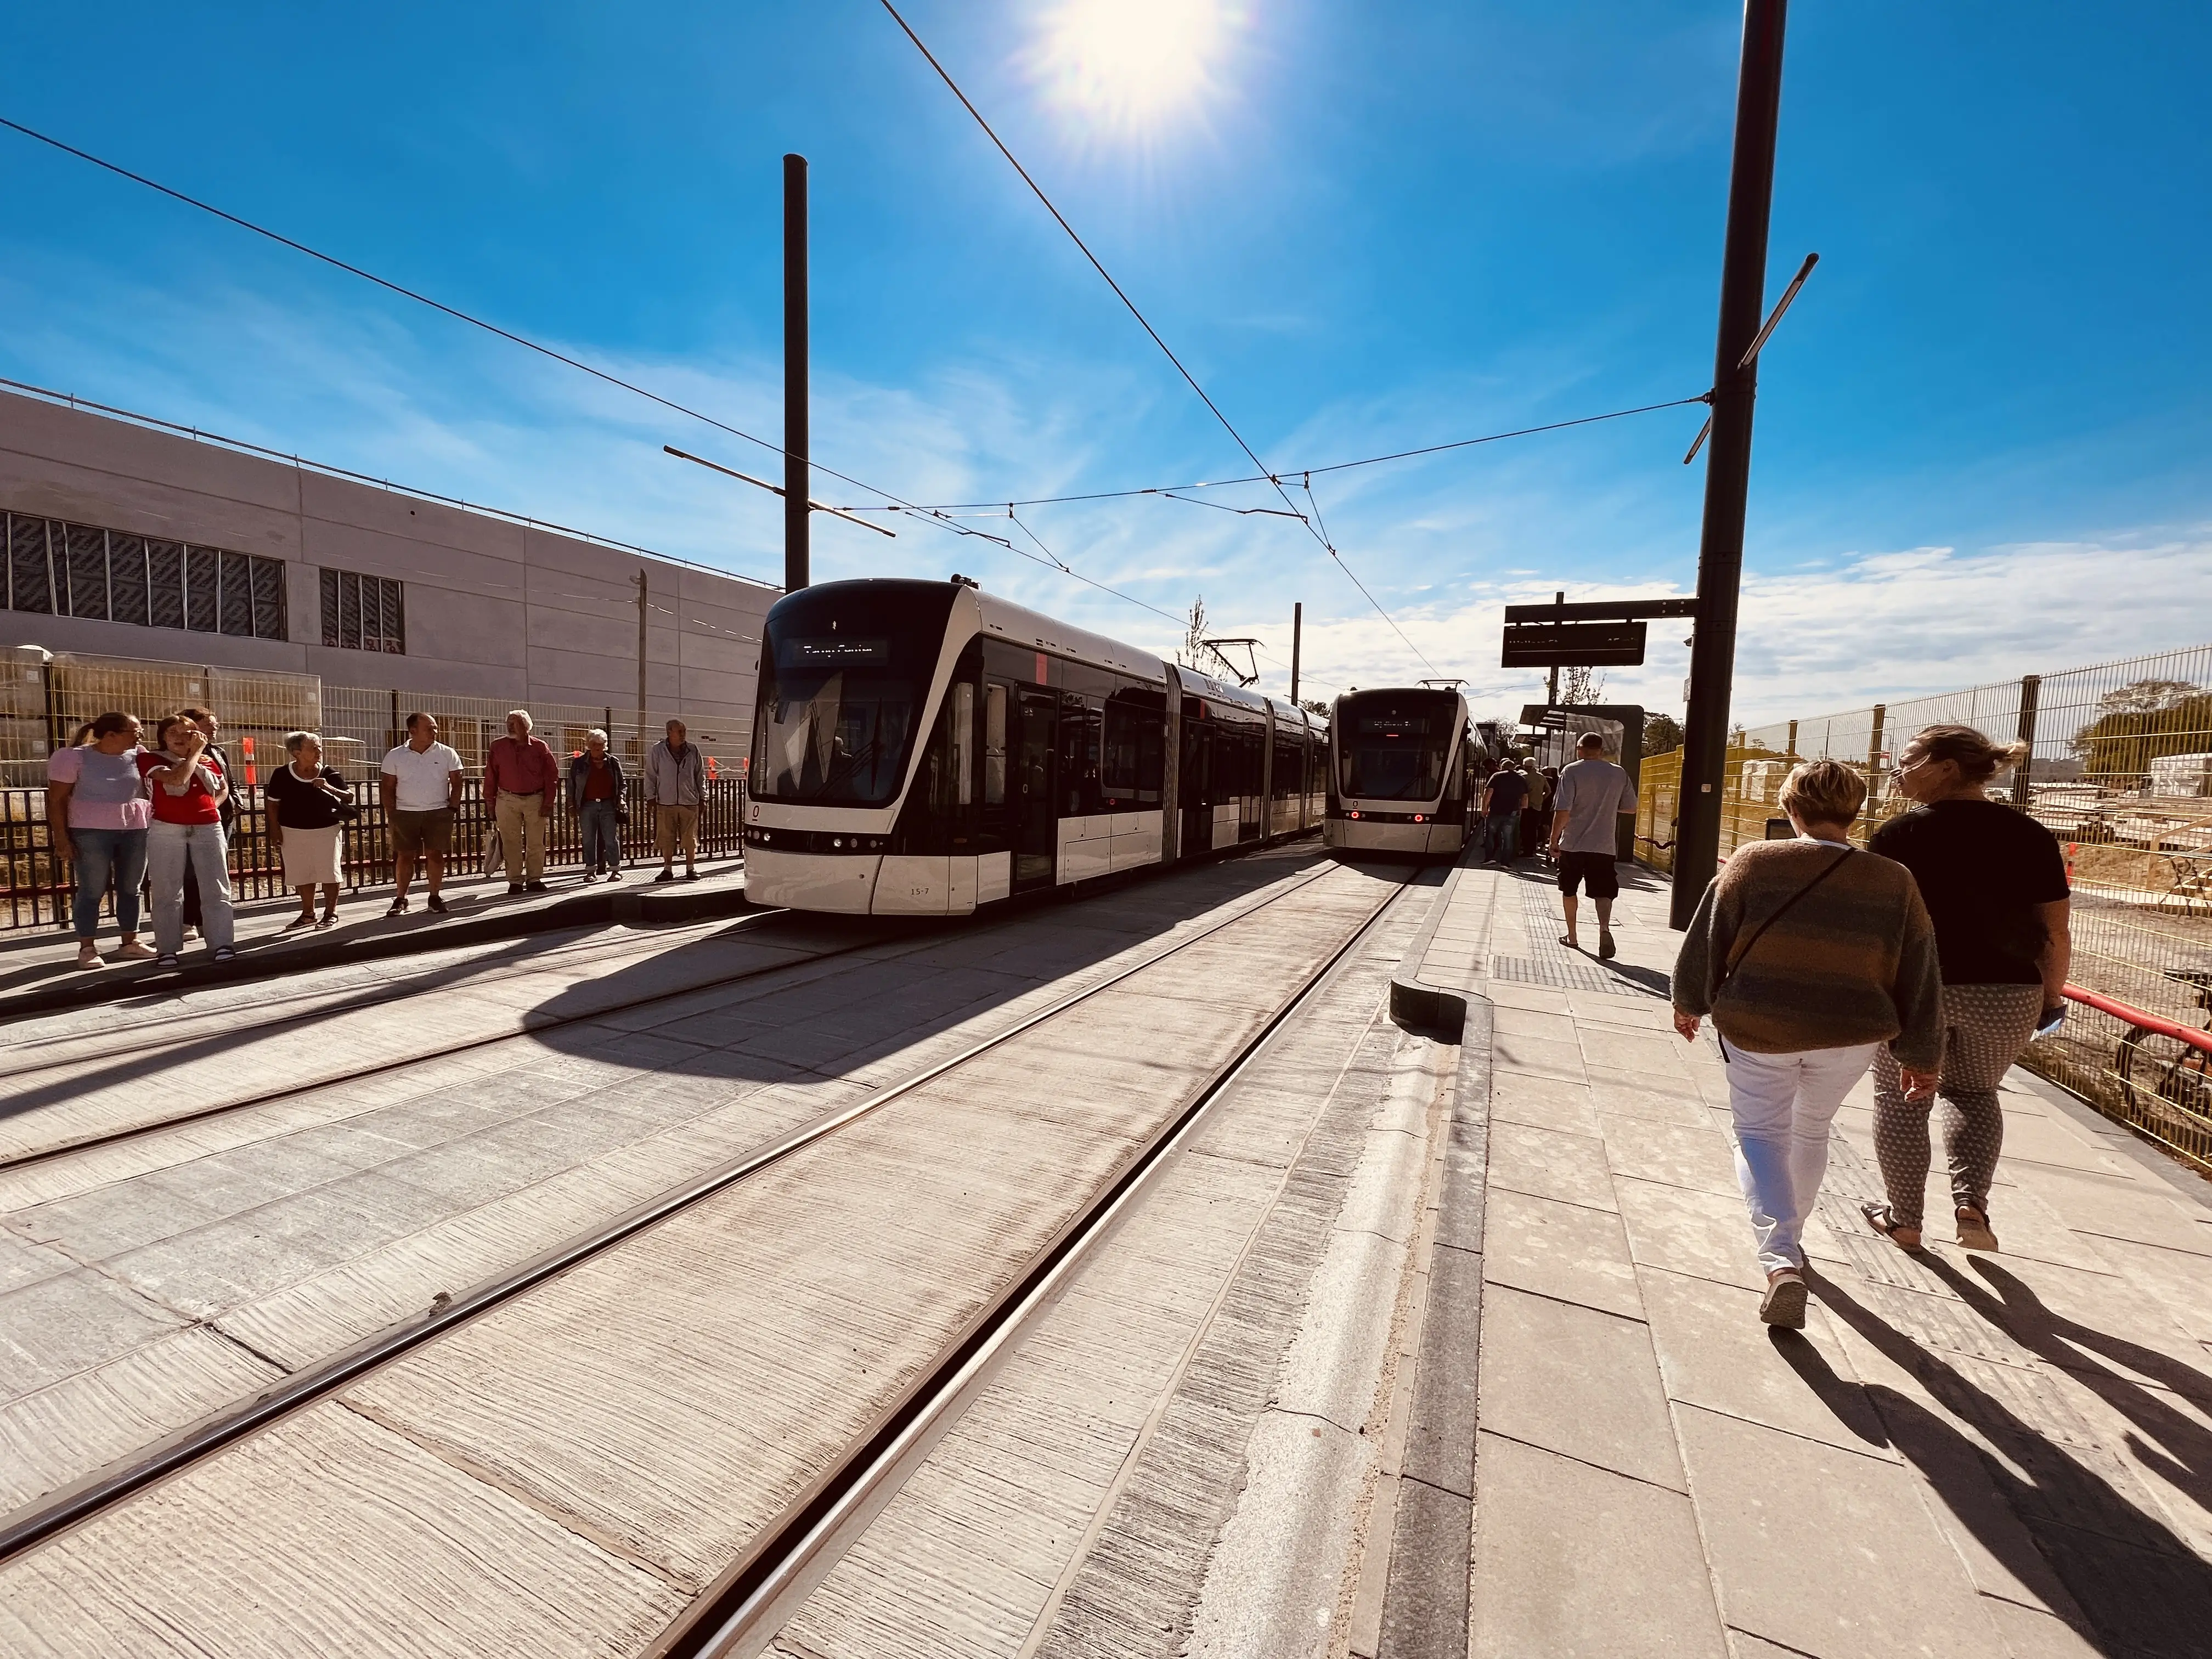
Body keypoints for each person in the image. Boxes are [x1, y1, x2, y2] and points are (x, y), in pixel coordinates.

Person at [1671, 759, 1943, 1328]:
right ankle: (1792, 1240)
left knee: (1760, 1134)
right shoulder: (1896, 879)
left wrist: (1689, 1001)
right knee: (1810, 1130)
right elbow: (1920, 970)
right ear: (1856, 810)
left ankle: (1781, 1261)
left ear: (1790, 806)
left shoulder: (1753, 862)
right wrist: (1922, 1054)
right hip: (1851, 1034)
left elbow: (1709, 938)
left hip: (1760, 1027)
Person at [1860, 725, 2073, 1254]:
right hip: (2008, 993)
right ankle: (1971, 1206)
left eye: (1909, 760)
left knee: (1901, 1098)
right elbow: (2055, 930)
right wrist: (2051, 996)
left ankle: (1904, 1220)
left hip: (1920, 989)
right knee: (1975, 1094)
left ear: (1946, 766)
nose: (1898, 770)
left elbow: (1876, 927)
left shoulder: (1897, 836)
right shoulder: (2032, 836)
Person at [47, 711, 155, 969]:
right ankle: (87, 948)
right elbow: (57, 800)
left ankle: (131, 941)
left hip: (135, 828)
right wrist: (61, 838)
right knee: (92, 890)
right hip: (90, 831)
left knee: (132, 887)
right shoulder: (73, 757)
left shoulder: (138, 754)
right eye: (135, 731)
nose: (140, 736)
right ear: (111, 735)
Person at [138, 712, 235, 967]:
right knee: (167, 890)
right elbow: (176, 778)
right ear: (162, 737)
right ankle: (167, 949)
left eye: (188, 733)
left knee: (216, 887)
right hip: (167, 828)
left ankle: (222, 943)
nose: (181, 739)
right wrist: (194, 753)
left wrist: (210, 807)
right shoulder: (150, 758)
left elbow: (222, 787)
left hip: (207, 827)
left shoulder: (207, 760)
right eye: (174, 733)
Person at [1548, 732, 1639, 958]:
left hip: (1573, 843)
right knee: (1603, 891)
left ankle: (1572, 936)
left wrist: (1553, 839)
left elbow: (1563, 811)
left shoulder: (1571, 771)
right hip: (1604, 845)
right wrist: (1606, 807)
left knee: (1569, 889)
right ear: (1601, 750)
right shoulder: (1618, 773)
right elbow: (1631, 808)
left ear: (1579, 749)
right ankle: (1604, 929)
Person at [266, 731, 355, 930]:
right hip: (292, 831)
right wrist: (275, 830)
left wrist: (329, 787)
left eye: (319, 747)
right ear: (297, 752)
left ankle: (331, 913)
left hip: (326, 831)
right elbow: (273, 805)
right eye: (313, 748)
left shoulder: (328, 773)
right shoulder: (281, 774)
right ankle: (308, 914)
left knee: (330, 873)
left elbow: (349, 798)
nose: (319, 751)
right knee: (302, 874)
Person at [380, 712, 465, 916]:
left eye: (435, 728)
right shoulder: (395, 755)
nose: (434, 732)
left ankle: (434, 897)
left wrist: (452, 807)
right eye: (429, 728)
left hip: (438, 812)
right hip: (405, 812)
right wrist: (392, 812)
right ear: (413, 731)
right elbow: (387, 785)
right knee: (404, 856)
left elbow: (457, 780)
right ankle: (401, 899)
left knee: (435, 855)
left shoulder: (447, 753)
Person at [485, 709, 559, 895]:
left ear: (526, 726)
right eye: (508, 722)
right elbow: (491, 776)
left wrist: (549, 802)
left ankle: (534, 878)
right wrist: (490, 804)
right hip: (506, 798)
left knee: (536, 842)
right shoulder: (498, 747)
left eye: (515, 722)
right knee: (511, 842)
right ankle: (515, 881)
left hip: (535, 798)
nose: (510, 726)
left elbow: (552, 776)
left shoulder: (540, 747)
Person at [645, 718, 706, 882]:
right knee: (666, 836)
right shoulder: (658, 750)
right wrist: (650, 797)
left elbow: (700, 775)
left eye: (684, 731)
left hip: (690, 801)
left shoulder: (693, 750)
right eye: (679, 731)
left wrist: (703, 797)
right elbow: (650, 775)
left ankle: (691, 868)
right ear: (669, 733)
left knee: (690, 838)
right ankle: (667, 869)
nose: (682, 735)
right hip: (666, 801)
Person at [567, 728, 627, 882]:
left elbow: (622, 784)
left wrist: (621, 798)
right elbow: (571, 786)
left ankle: (615, 870)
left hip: (608, 805)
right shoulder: (579, 764)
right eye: (594, 744)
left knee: (611, 838)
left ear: (605, 745)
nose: (597, 747)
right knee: (588, 839)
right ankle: (590, 871)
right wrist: (571, 805)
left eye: (600, 744)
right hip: (587, 805)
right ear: (588, 745)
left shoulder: (613, 762)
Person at [1481, 760, 1527, 864]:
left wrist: (1484, 808)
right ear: (1514, 768)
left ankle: (1489, 859)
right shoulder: (1521, 779)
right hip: (1512, 812)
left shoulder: (1497, 776)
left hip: (1495, 811)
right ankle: (1505, 863)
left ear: (1502, 767)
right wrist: (1521, 809)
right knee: (1507, 838)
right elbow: (1525, 797)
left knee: (1490, 835)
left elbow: (1488, 792)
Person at [1519, 757, 1551, 865]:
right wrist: (1541, 799)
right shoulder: (1541, 777)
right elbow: (1548, 791)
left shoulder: (1524, 777)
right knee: (1534, 829)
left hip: (1526, 807)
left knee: (1525, 829)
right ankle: (1533, 849)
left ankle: (1526, 851)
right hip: (1538, 807)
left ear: (1525, 766)